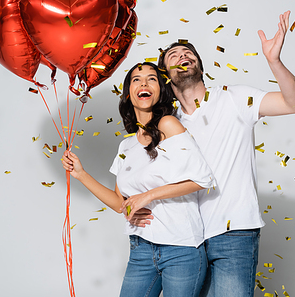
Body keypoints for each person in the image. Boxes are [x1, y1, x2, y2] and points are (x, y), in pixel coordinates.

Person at [130, 11, 295, 296]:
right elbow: (148, 176)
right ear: (165, 75)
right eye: (173, 55)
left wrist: (273, 61)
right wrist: (137, 204)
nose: (182, 56)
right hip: (186, 239)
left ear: (199, 65)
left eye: (188, 53)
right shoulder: (167, 123)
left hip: (234, 233)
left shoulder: (235, 98)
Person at [62, 62, 216, 297]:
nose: (144, 83)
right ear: (128, 94)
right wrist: (81, 174)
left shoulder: (169, 124)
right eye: (136, 79)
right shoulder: (127, 145)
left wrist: (148, 196)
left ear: (161, 90)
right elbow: (118, 202)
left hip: (181, 249)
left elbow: (203, 179)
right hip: (141, 249)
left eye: (151, 79)